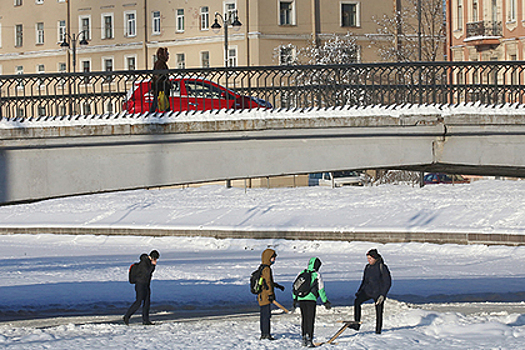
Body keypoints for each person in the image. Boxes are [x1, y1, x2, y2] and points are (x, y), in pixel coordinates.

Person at [293, 257, 331, 347]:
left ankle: (303, 338)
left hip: (301, 299)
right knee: (310, 319)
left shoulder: (301, 273)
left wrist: (295, 298)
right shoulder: (316, 275)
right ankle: (309, 338)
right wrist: (325, 301)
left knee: (304, 319)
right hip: (311, 300)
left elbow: (295, 286)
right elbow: (321, 289)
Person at [352, 249, 392, 334]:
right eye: (367, 258)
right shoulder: (368, 267)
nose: (368, 260)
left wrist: (383, 294)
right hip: (368, 291)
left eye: (370, 258)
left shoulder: (382, 267)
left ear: (375, 258)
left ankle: (378, 331)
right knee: (357, 302)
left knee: (379, 311)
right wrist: (359, 292)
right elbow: (364, 281)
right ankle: (356, 324)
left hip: (378, 293)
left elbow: (387, 282)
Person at [123, 250, 160, 325]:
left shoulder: (147, 262)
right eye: (156, 259)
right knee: (138, 302)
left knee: (147, 303)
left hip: (146, 284)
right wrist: (153, 265)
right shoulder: (144, 262)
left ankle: (146, 320)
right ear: (153, 257)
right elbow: (147, 272)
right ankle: (127, 316)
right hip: (140, 285)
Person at [257, 248, 285, 340]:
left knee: (264, 315)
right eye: (273, 258)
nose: (274, 260)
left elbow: (268, 282)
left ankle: (264, 333)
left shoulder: (262, 267)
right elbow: (268, 282)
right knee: (266, 316)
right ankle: (266, 334)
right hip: (265, 296)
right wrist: (270, 294)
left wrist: (277, 286)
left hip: (262, 296)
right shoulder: (266, 269)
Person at [149, 47, 171, 112]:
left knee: (159, 103)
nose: (168, 56)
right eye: (166, 54)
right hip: (161, 87)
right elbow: (157, 77)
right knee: (160, 103)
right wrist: (166, 81)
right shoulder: (160, 64)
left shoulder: (160, 63)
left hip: (161, 87)